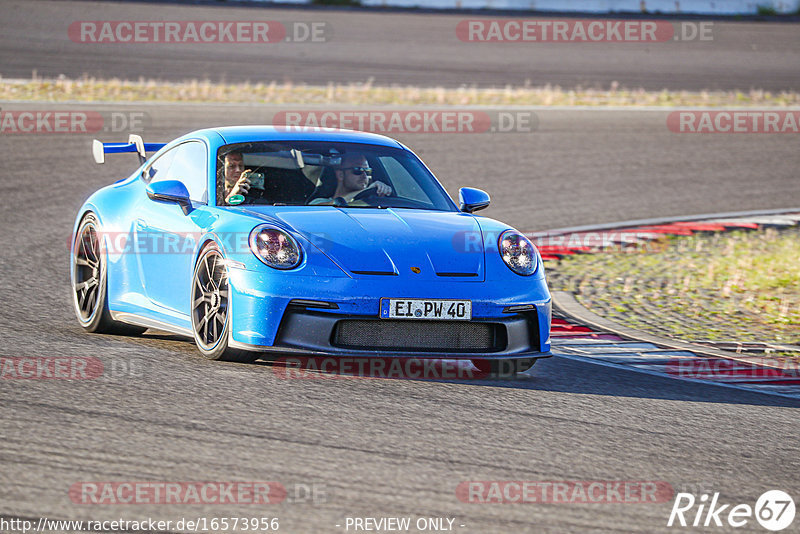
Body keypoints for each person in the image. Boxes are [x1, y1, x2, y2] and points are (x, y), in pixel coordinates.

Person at [309, 153, 391, 205]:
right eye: (358, 170)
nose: (364, 176)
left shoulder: (373, 204)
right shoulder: (318, 202)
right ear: (340, 175)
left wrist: (384, 191)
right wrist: (367, 190)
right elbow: (327, 207)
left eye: (367, 171)